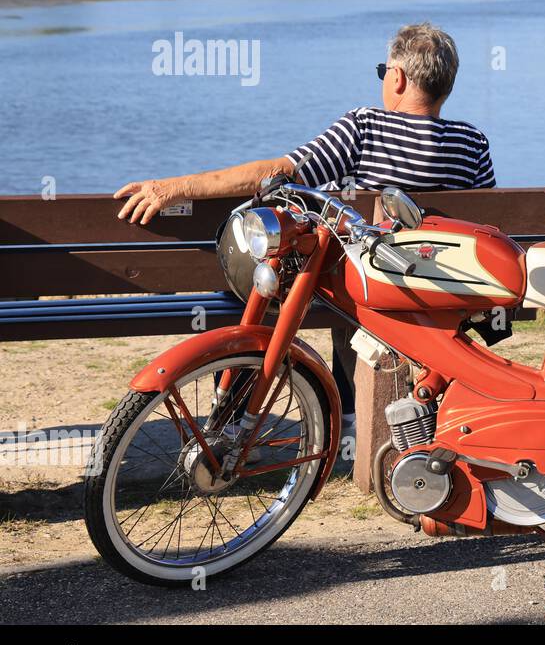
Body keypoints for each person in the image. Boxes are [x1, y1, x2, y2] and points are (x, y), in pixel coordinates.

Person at [114, 22, 496, 431]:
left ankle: (281, 413)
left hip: (365, 293)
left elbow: (279, 173)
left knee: (296, 276)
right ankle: (354, 410)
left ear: (398, 78)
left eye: (384, 72)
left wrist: (177, 187)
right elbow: (486, 222)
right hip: (436, 289)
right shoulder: (472, 143)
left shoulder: (366, 128)